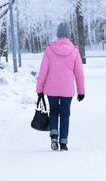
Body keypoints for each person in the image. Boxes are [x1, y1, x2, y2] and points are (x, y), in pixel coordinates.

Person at [35, 21, 85, 151]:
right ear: (69, 34)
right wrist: (81, 91)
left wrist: (39, 90)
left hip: (51, 89)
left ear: (58, 33)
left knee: (53, 113)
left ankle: (53, 137)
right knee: (65, 114)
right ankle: (63, 142)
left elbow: (43, 71)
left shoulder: (49, 50)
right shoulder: (74, 51)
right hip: (67, 90)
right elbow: (79, 73)